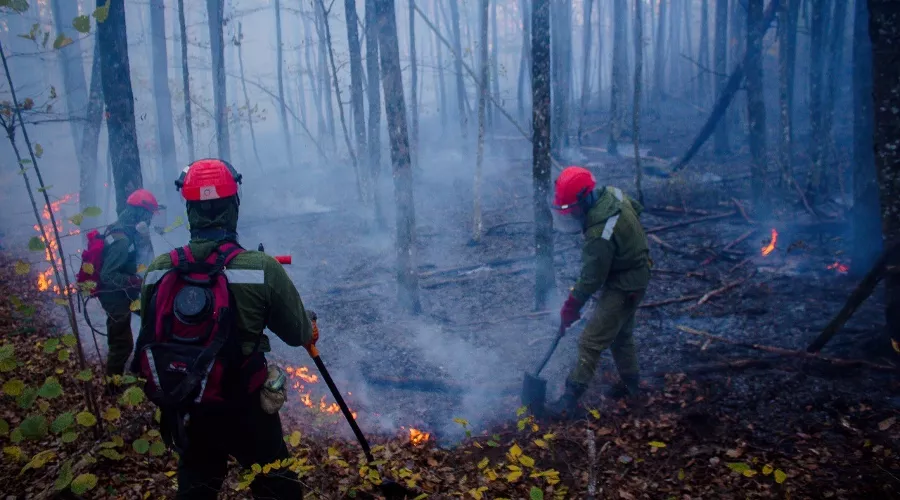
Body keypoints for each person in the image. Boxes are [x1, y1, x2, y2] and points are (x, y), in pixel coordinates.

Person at [131, 158, 315, 499]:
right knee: (278, 489)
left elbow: (150, 336)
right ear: (234, 206)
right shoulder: (261, 269)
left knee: (197, 486)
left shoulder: (158, 270)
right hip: (248, 407)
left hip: (191, 401)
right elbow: (298, 334)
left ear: (190, 209)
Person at [547, 166, 651, 418]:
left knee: (590, 341)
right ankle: (631, 386)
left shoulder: (600, 234)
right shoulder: (612, 194)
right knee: (621, 334)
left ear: (585, 199)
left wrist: (571, 306)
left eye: (571, 209)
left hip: (626, 283)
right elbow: (636, 208)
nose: (571, 215)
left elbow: (592, 278)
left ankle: (569, 399)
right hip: (636, 271)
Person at [99, 188, 159, 377]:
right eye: (148, 215)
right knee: (122, 344)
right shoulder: (122, 240)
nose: (149, 219)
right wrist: (132, 281)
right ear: (140, 213)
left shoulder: (124, 229)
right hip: (114, 296)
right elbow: (107, 276)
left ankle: (141, 365)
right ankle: (111, 389)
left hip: (125, 291)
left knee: (153, 315)